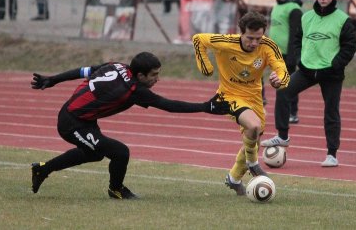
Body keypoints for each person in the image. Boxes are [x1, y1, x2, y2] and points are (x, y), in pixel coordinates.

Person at [29, 52, 230, 199]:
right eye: (154, 75)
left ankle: (43, 169)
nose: (157, 79)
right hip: (72, 122)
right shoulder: (135, 89)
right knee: (120, 152)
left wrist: (54, 79)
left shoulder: (117, 66)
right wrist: (206, 107)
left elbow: (83, 70)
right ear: (140, 75)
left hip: (82, 119)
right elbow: (169, 106)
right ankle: (116, 190)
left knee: (96, 153)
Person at [192, 11, 290, 196]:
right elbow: (198, 39)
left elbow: (282, 69)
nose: (254, 43)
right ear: (241, 33)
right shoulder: (226, 42)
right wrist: (206, 67)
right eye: (250, 38)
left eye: (258, 38)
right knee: (253, 126)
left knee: (255, 135)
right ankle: (253, 163)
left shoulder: (268, 46)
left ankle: (234, 178)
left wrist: (280, 80)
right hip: (228, 96)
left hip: (254, 97)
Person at [262, 0, 356, 168]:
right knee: (283, 90)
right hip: (306, 69)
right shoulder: (306, 17)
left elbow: (349, 48)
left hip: (331, 73)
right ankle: (282, 136)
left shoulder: (343, 19)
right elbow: (297, 39)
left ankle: (332, 154)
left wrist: (335, 65)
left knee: (331, 111)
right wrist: (299, 59)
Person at [269, 0, 303, 124]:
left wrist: (292, 54)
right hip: (274, 52)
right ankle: (282, 111)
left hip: (287, 53)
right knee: (278, 83)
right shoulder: (276, 6)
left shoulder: (294, 8)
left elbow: (295, 33)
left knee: (289, 83)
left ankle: (293, 112)